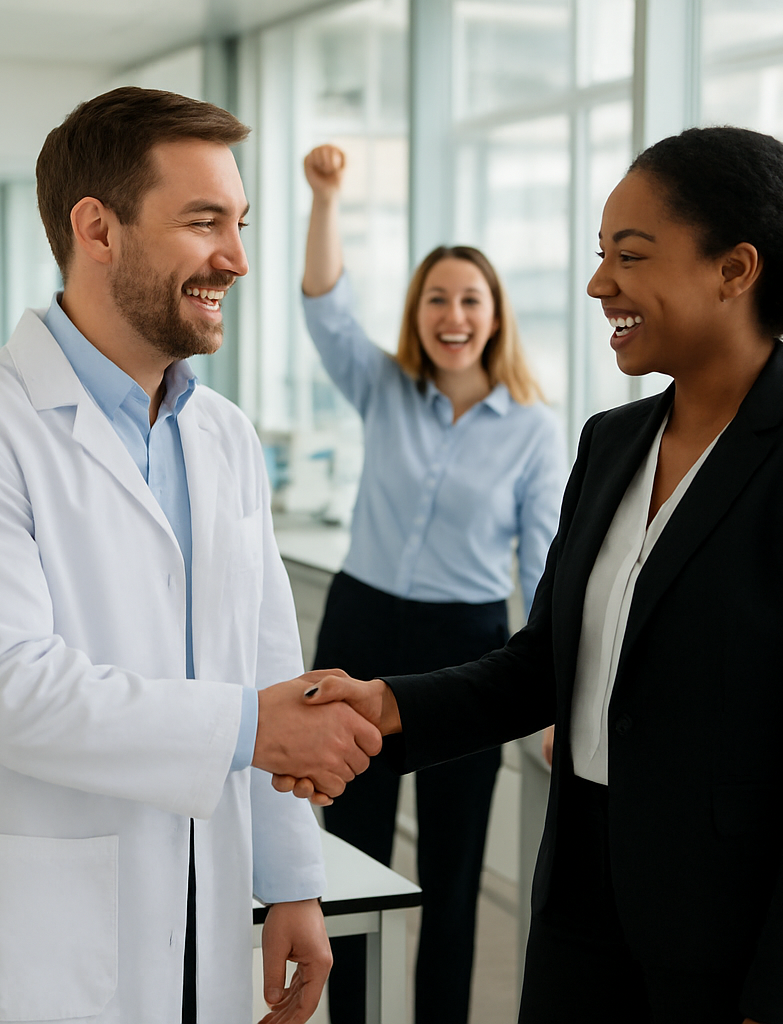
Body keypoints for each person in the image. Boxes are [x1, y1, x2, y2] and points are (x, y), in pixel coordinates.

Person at [284, 127, 783, 1023]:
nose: (598, 284)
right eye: (598, 256)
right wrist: (388, 705)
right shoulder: (613, 443)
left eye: (630, 255)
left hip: (743, 948)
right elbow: (546, 664)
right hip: (586, 912)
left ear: (735, 269)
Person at [0, 88, 381, 1024]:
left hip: (204, 910)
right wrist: (246, 729)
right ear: (97, 229)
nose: (236, 258)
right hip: (42, 939)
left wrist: (292, 881)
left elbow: (267, 666)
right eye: (203, 222)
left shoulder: (224, 436)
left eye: (238, 223)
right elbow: (7, 690)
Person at [298, 143, 564, 1024]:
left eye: (471, 300)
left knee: (450, 871)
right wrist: (326, 198)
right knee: (352, 858)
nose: (454, 315)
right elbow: (328, 312)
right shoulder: (384, 387)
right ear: (420, 313)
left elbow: (549, 563)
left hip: (467, 651)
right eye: (438, 299)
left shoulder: (532, 428)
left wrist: (557, 695)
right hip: (362, 626)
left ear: (496, 317)